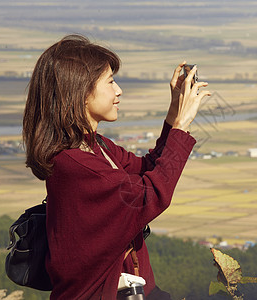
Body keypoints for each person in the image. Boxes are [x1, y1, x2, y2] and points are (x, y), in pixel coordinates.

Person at [22, 34, 210, 300]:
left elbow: (147, 170)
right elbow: (149, 196)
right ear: (79, 92)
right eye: (110, 82)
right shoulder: (75, 163)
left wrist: (173, 112)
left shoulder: (95, 146)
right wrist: (180, 127)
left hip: (133, 289)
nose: (119, 90)